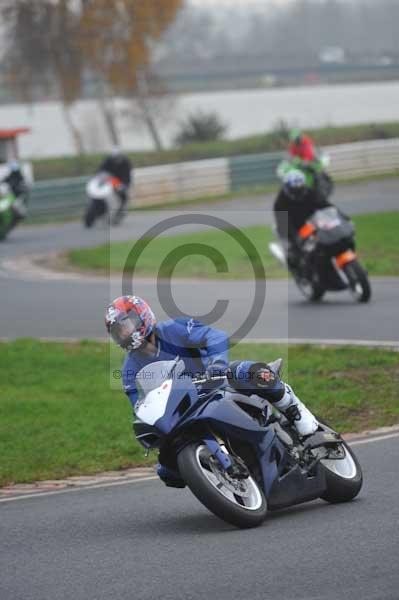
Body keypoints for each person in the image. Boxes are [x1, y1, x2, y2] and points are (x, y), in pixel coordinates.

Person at [105, 295, 319, 488]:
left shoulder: (175, 329)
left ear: (142, 316)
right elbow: (140, 406)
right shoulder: (129, 371)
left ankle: (293, 408)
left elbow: (215, 336)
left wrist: (216, 363)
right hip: (185, 408)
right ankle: (219, 471)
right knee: (166, 470)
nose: (124, 333)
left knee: (249, 372)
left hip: (216, 382)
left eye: (126, 325)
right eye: (118, 331)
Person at [274, 169, 332, 269]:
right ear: (287, 188)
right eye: (294, 189)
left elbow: (324, 205)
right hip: (293, 228)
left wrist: (338, 216)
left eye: (300, 188)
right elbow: (283, 224)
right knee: (294, 255)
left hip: (312, 223)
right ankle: (300, 269)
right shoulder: (280, 202)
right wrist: (295, 237)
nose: (298, 191)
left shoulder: (308, 192)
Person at [98, 147, 133, 219]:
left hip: (120, 182)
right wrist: (100, 178)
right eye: (115, 157)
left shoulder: (125, 163)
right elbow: (101, 170)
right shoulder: (107, 161)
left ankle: (120, 212)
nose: (116, 159)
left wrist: (124, 185)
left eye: (118, 157)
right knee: (101, 194)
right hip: (108, 180)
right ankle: (100, 210)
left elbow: (127, 175)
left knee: (124, 197)